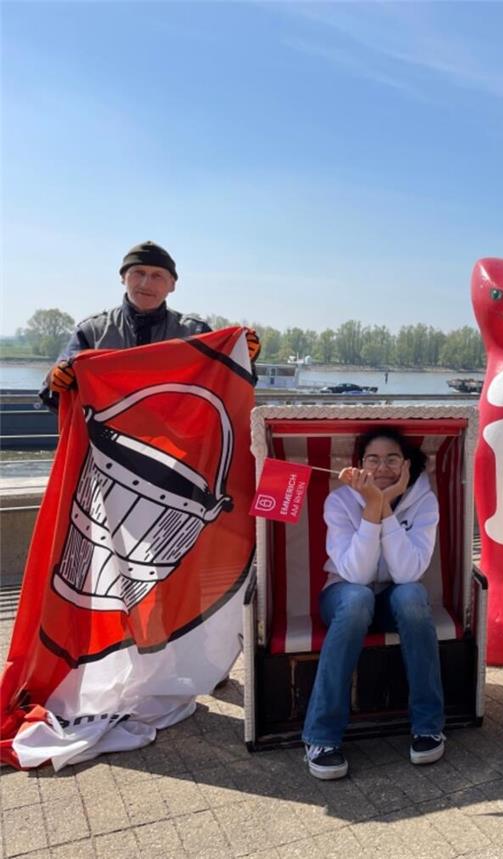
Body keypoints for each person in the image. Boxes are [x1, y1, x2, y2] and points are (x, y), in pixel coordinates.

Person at [302, 427, 446, 779]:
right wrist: (372, 507)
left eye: (392, 459)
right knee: (357, 598)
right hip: (344, 596)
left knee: (413, 595)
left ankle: (428, 725)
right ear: (360, 465)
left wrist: (388, 509)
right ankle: (321, 736)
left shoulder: (424, 501)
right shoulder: (339, 501)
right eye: (373, 459)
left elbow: (408, 571)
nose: (382, 467)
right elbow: (356, 573)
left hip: (396, 598)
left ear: (407, 465)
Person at [39, 240, 259, 408]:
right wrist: (56, 381)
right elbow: (53, 396)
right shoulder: (91, 332)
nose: (146, 283)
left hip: (175, 456)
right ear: (123, 277)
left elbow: (232, 385)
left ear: (172, 285)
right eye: (138, 273)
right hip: (109, 454)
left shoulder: (196, 332)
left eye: (157, 276)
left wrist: (243, 357)